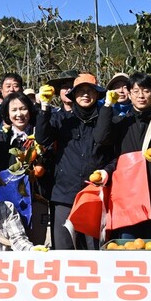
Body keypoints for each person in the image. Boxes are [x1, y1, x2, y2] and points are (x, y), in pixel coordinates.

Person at [36, 73, 113, 250]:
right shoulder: (62, 119)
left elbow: (108, 146)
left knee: (94, 249)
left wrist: (106, 171)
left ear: (97, 94)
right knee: (63, 249)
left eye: (90, 90)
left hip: (93, 194)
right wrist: (44, 107)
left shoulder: (106, 118)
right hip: (64, 194)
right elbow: (42, 138)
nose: (85, 94)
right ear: (73, 95)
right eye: (80, 91)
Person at [97, 73, 151, 238]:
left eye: (146, 91)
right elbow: (101, 138)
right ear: (129, 94)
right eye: (136, 91)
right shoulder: (121, 122)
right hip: (128, 197)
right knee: (128, 245)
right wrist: (107, 106)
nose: (141, 96)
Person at [0, 91, 49, 245]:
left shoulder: (39, 134)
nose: (19, 114)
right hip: (7, 201)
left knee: (35, 245)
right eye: (14, 110)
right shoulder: (2, 137)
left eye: (23, 109)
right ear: (7, 114)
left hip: (36, 200)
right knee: (7, 245)